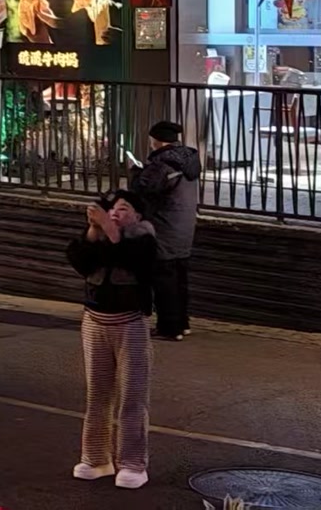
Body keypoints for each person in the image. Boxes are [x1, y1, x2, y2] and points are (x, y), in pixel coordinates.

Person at [67, 190, 157, 490]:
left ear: (138, 215)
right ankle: (95, 459)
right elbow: (80, 261)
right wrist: (94, 231)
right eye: (112, 209)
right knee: (97, 394)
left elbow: (135, 262)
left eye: (124, 208)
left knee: (132, 396)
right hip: (94, 322)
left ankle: (132, 463)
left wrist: (109, 228)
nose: (116, 213)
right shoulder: (100, 236)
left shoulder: (144, 239)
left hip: (130, 324)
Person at [132, 120, 200, 341]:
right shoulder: (188, 160)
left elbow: (144, 189)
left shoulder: (163, 164)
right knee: (180, 280)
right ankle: (182, 323)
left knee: (164, 282)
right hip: (183, 229)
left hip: (164, 229)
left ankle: (170, 328)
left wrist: (136, 173)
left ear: (157, 141)